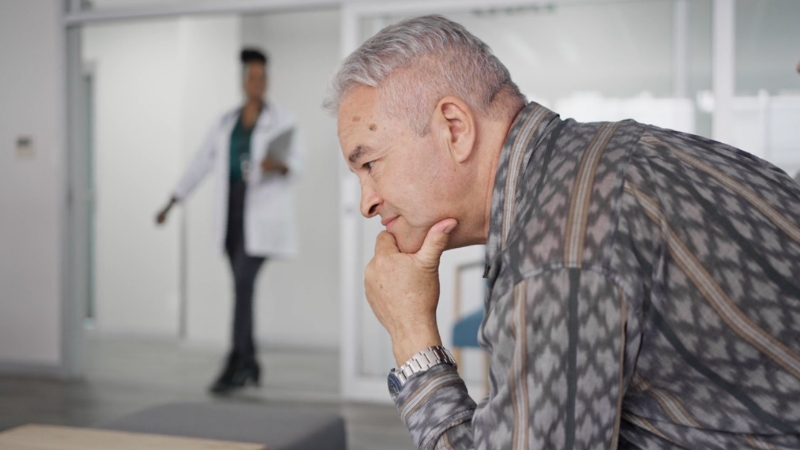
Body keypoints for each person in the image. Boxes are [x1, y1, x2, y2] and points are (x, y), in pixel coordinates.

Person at [325, 15, 800, 450]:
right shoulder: (608, 158)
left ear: (455, 128)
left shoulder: (557, 252)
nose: (366, 201)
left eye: (369, 163)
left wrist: (412, 338)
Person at [156, 48, 303, 395]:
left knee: (242, 287)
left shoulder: (282, 119)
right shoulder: (225, 123)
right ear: (243, 81)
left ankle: (235, 363)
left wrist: (277, 165)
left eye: (263, 77)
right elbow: (200, 162)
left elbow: (297, 161)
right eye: (252, 77)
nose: (258, 83)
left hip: (261, 220)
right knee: (241, 290)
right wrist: (173, 200)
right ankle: (250, 362)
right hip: (232, 217)